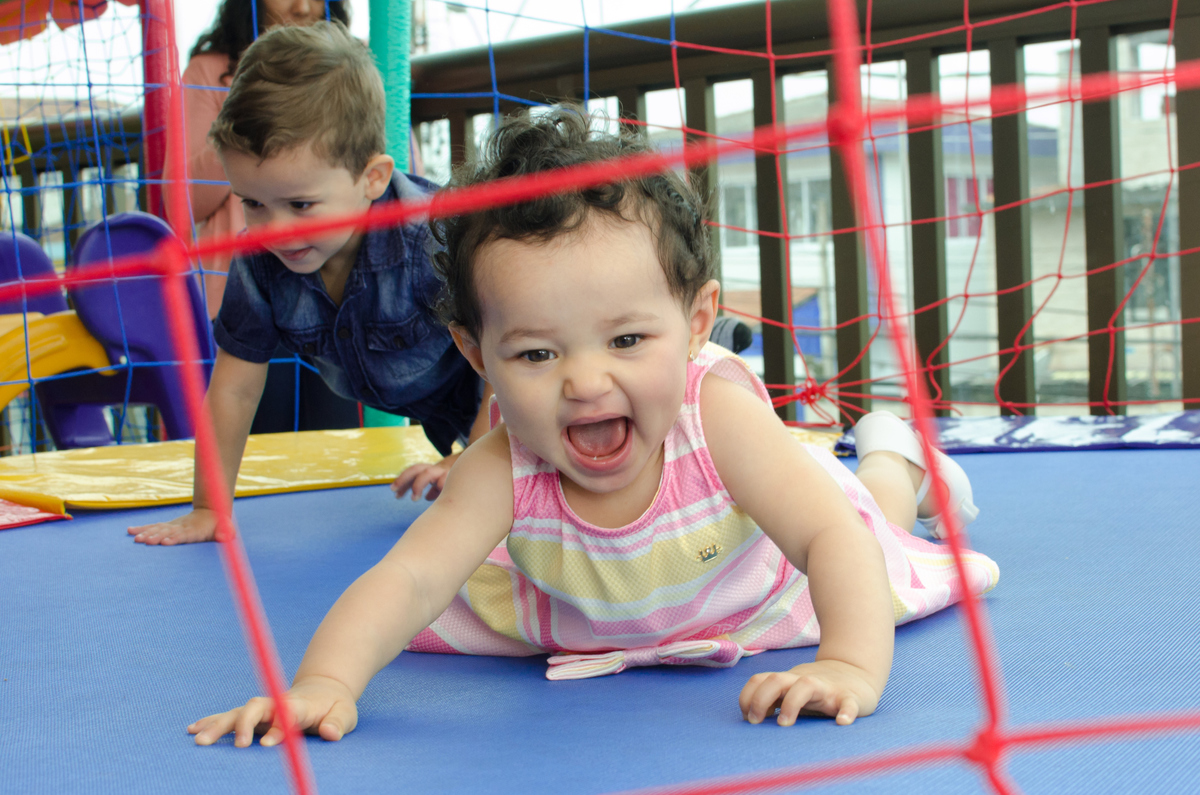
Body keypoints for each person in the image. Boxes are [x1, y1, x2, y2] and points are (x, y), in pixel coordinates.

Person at [187, 106, 999, 747]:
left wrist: (848, 666)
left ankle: (897, 457)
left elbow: (828, 539)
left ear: (695, 325)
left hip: (756, 594)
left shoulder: (710, 413)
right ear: (477, 356)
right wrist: (324, 684)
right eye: (537, 352)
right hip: (586, 612)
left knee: (873, 520)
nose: (584, 380)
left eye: (626, 340)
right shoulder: (501, 469)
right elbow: (407, 580)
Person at [128, 22, 489, 546]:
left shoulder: (430, 242)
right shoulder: (262, 264)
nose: (275, 230)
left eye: (300, 205)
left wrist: (475, 459)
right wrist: (210, 509)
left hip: (520, 393)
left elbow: (513, 355)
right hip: (455, 415)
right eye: (253, 203)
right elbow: (232, 388)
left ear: (373, 178)